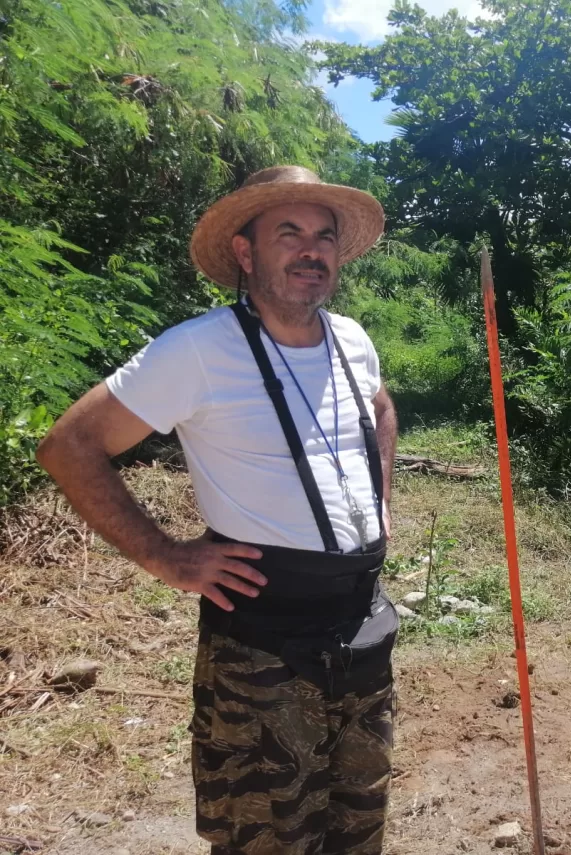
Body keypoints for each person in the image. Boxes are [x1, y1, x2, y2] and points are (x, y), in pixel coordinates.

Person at [36, 166, 400, 854]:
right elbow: (69, 445)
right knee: (264, 836)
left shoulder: (352, 339)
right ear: (245, 252)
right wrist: (165, 555)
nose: (310, 250)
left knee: (357, 829)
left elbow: (380, 405)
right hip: (264, 648)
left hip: (362, 635)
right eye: (288, 232)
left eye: (323, 236)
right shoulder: (199, 351)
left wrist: (379, 501)